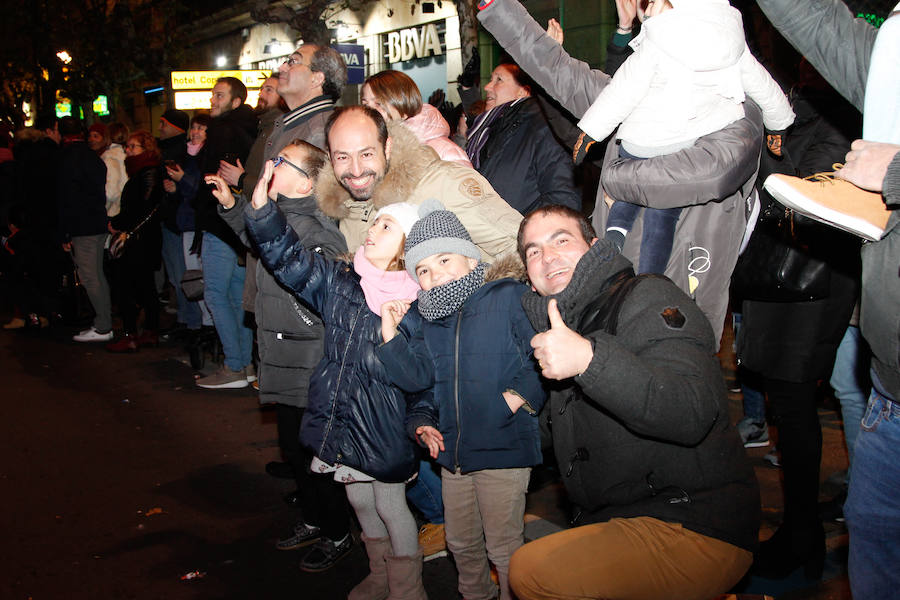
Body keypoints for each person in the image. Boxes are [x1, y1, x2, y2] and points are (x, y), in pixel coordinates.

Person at [506, 204, 758, 600]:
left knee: (532, 572)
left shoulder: (646, 294)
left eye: (561, 240)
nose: (547, 256)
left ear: (593, 246)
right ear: (530, 279)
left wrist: (589, 360)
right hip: (619, 519)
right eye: (533, 251)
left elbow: (693, 410)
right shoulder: (569, 324)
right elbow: (556, 432)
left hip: (693, 519)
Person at [476, 0, 765, 345]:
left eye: (662, 5)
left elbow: (707, 174)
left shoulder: (735, 105)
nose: (650, 14)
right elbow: (556, 69)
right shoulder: (632, 94)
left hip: (681, 309)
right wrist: (494, 6)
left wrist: (616, 177)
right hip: (609, 294)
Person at [751, 1, 900, 597]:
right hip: (890, 392)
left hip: (818, 280)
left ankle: (804, 534)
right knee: (874, 543)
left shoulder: (831, 111)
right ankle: (805, 532)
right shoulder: (883, 62)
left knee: (820, 396)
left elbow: (843, 183)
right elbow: (809, 15)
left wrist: (891, 173)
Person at [244, 164, 427, 596]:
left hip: (383, 426)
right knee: (359, 501)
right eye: (374, 222)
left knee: (389, 504)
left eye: (385, 225)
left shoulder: (415, 302)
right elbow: (292, 262)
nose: (371, 230)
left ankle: (407, 589)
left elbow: (420, 375)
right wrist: (262, 214)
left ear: (406, 245)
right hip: (342, 416)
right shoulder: (342, 281)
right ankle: (379, 576)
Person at [376, 203, 544, 600]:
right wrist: (390, 335)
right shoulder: (428, 318)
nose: (435, 275)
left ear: (470, 257)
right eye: (423, 270)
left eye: (444, 259)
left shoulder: (507, 296)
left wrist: (516, 397)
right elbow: (418, 380)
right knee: (461, 543)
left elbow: (542, 351)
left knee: (504, 548)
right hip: (453, 455)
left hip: (504, 448)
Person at [209, 140, 354, 570]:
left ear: (307, 181)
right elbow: (258, 241)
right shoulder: (285, 215)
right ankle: (313, 518)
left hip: (308, 353)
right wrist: (234, 208)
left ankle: (337, 531)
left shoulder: (314, 223)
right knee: (293, 448)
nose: (269, 165)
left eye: (280, 162)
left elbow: (320, 273)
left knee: (314, 454)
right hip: (282, 347)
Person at [570, 0, 793, 275]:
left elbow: (624, 88)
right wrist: (778, 124)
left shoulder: (659, 39)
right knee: (662, 214)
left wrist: (591, 131)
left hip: (644, 139)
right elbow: (764, 86)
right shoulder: (730, 40)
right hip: (685, 146)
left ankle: (615, 237)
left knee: (625, 188)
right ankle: (652, 277)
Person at [315, 105, 523, 262]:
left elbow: (522, 248)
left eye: (366, 154)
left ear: (387, 148)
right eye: (343, 157)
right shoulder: (346, 208)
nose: (356, 170)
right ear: (330, 157)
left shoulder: (444, 185)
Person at [194, 76, 258, 389]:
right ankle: (244, 365)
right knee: (236, 299)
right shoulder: (251, 128)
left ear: (235, 101)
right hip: (240, 229)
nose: (212, 101)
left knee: (216, 295)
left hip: (221, 225)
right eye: (213, 95)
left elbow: (211, 182)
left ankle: (234, 366)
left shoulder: (222, 131)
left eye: (219, 96)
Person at [465, 62, 581, 215]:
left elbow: (562, 198)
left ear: (523, 91)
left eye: (499, 80)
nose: (487, 87)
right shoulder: (490, 129)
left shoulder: (542, 127)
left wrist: (525, 233)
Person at [56, 116, 114, 343]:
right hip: (96, 222)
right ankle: (103, 322)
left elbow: (65, 198)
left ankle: (103, 326)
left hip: (83, 226)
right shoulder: (92, 157)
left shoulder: (68, 159)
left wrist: (64, 231)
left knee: (90, 276)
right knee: (96, 275)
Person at [105, 130, 163, 352]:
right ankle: (148, 332)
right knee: (143, 287)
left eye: (133, 147)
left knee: (128, 287)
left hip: (139, 240)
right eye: (127, 146)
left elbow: (142, 207)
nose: (127, 150)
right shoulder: (141, 170)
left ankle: (133, 334)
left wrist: (118, 222)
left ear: (145, 149)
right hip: (141, 239)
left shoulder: (148, 171)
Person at [163, 114, 213, 335]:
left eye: (201, 129)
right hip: (186, 224)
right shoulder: (186, 156)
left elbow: (202, 191)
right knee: (191, 277)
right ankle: (203, 322)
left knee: (204, 277)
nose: (195, 132)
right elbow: (187, 194)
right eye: (194, 128)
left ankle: (210, 323)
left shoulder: (208, 156)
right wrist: (175, 188)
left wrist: (182, 179)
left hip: (201, 226)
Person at [362, 69, 472, 166]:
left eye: (379, 104)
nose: (369, 111)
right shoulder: (371, 148)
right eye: (365, 104)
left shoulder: (444, 152)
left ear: (404, 107)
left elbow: (463, 188)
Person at [156, 109, 191, 338]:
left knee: (182, 275)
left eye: (163, 123)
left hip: (178, 221)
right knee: (176, 274)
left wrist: (177, 188)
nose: (160, 128)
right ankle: (184, 318)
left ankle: (187, 321)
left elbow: (189, 186)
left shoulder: (181, 151)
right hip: (171, 219)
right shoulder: (170, 148)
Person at [86, 122, 127, 218]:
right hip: (123, 210)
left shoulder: (109, 158)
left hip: (113, 212)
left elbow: (110, 192)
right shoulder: (125, 154)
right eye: (90, 136)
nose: (91, 140)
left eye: (96, 136)